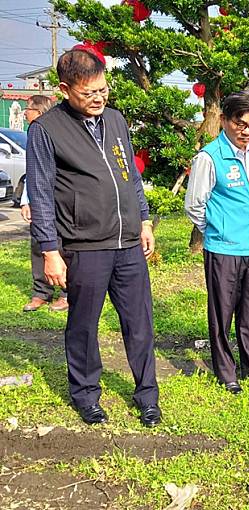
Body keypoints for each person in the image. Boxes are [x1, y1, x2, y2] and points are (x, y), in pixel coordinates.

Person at [26, 49, 161, 427]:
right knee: (83, 325)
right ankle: (86, 395)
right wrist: (50, 250)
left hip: (129, 244)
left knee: (140, 323)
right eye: (89, 93)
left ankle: (147, 395)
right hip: (85, 247)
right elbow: (39, 190)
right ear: (65, 89)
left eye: (103, 90)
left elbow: (130, 177)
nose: (99, 98)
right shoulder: (47, 129)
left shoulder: (115, 120)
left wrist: (145, 221)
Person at [185, 91, 249, 395]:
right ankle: (226, 372)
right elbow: (194, 205)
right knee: (222, 314)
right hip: (223, 250)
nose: (247, 131)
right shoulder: (209, 158)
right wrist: (218, 231)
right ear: (225, 121)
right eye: (241, 124)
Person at [20, 95, 69, 313]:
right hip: (39, 199)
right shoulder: (34, 131)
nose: (24, 112)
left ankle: (67, 293)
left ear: (39, 111)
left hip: (61, 200)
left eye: (27, 108)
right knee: (38, 244)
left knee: (64, 246)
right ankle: (42, 292)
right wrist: (26, 200)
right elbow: (32, 172)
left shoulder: (55, 130)